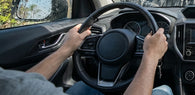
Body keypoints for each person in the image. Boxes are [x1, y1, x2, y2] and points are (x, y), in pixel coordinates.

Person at [0, 24, 172, 95]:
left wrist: (66, 49)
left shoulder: (9, 84)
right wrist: (150, 56)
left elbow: (23, 83)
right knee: (164, 89)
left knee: (83, 85)